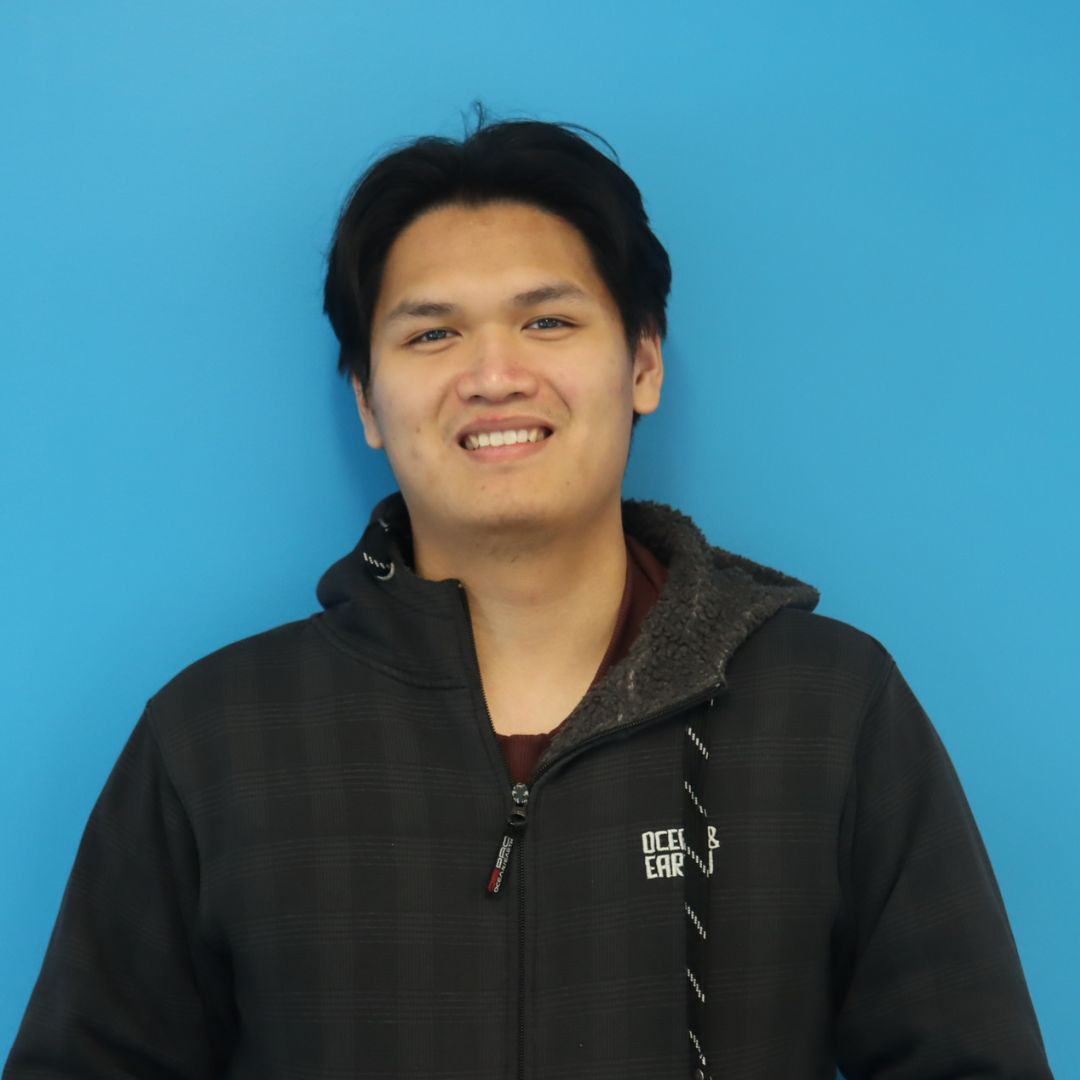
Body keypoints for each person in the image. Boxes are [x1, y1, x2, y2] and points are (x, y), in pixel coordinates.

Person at [4, 108, 1054, 1080]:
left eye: (548, 322)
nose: (494, 375)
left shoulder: (831, 709)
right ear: (369, 402)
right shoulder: (215, 738)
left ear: (643, 364)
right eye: (432, 334)